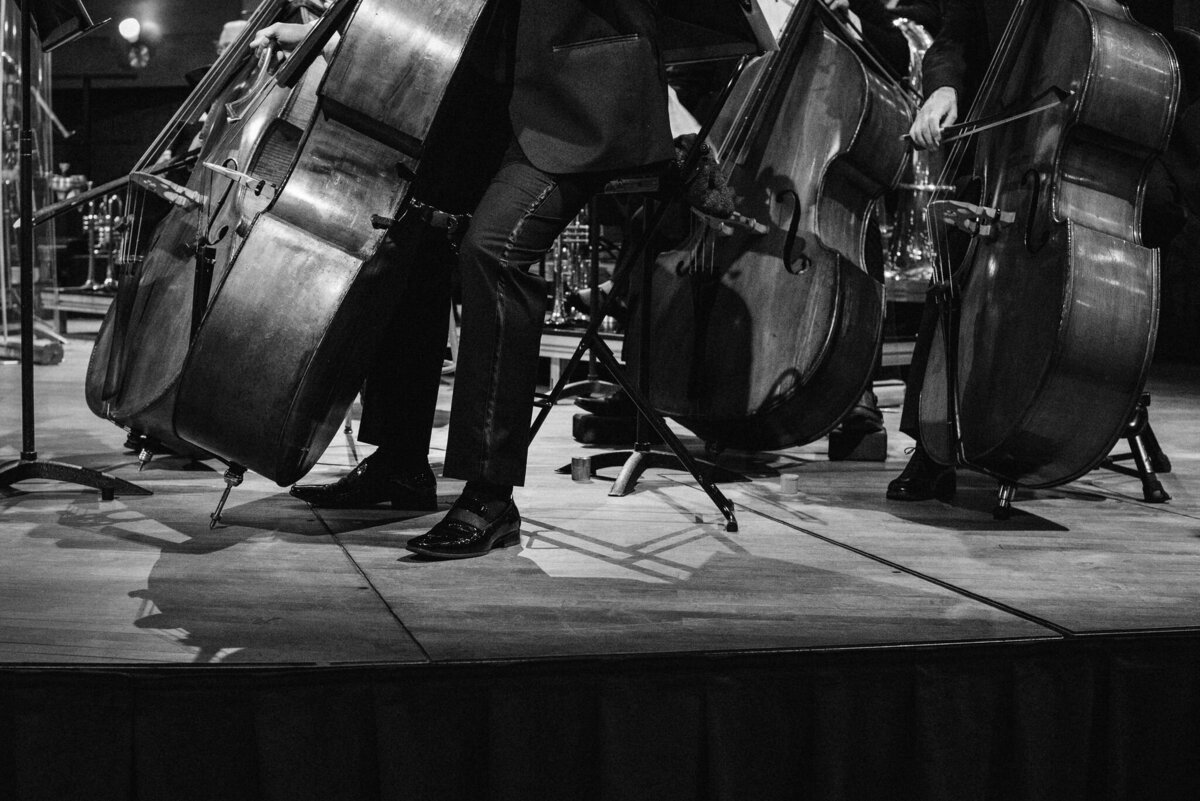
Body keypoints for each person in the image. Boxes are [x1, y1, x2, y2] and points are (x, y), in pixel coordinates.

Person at [256, 0, 676, 559]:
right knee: (410, 232)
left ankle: (489, 494)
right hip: (470, 86)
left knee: (493, 252)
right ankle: (402, 462)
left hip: (577, 94)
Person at [890, 0, 1181, 500]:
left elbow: (1155, 42)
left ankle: (1093, 393)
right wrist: (942, 87)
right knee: (961, 238)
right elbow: (954, 38)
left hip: (1106, 135)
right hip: (1011, 152)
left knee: (1149, 207)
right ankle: (933, 441)